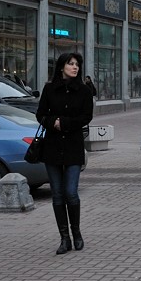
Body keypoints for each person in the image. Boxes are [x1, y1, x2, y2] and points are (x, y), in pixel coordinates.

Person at [36, 52, 94, 255]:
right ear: (62, 67)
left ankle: (77, 234)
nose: (75, 67)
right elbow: (40, 114)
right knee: (58, 194)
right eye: (71, 64)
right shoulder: (49, 89)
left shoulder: (84, 91)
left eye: (77, 64)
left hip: (73, 146)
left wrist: (65, 124)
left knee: (71, 192)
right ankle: (64, 238)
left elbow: (87, 116)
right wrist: (53, 123)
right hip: (52, 147)